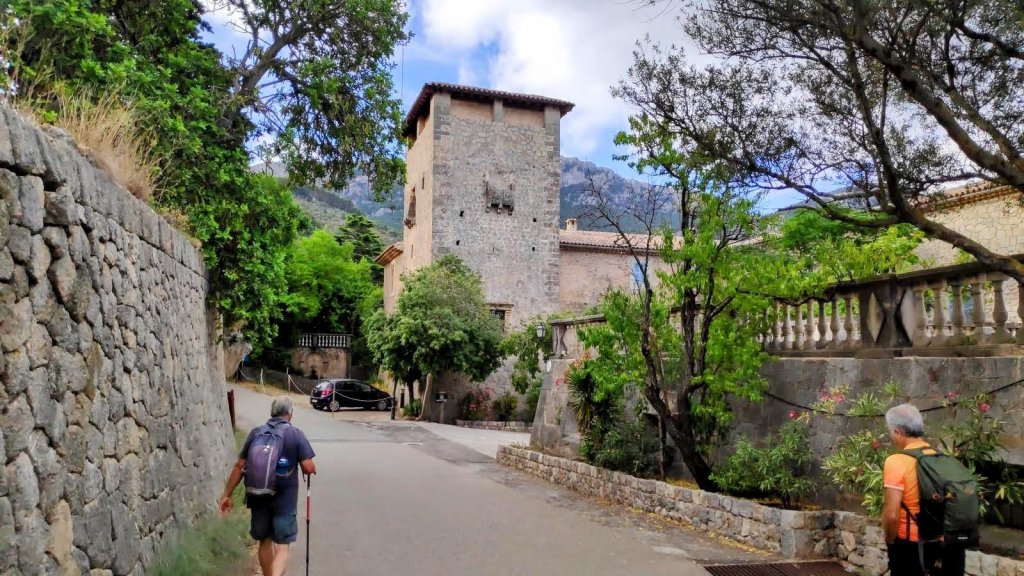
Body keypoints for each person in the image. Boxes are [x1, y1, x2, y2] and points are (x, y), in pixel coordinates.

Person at [220, 396, 316, 576]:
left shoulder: (256, 432)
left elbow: (239, 466)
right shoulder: (295, 434)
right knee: (282, 546)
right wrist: (311, 468)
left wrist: (227, 494)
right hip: (284, 500)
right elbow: (307, 466)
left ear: (272, 413)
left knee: (264, 541)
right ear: (290, 414)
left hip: (258, 495)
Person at [882, 403, 965, 576]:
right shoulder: (943, 458)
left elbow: (891, 514)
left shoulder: (897, 461)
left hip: (911, 545)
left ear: (897, 432)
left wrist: (890, 542)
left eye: (891, 432)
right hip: (946, 545)